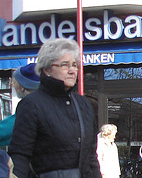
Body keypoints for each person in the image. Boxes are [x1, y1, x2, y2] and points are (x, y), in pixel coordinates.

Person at [8, 38, 101, 178]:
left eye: (75, 65)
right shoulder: (31, 104)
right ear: (46, 69)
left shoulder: (84, 104)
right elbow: (20, 155)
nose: (72, 70)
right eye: (64, 65)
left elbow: (91, 157)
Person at [0, 63, 40, 146]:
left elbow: (5, 131)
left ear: (22, 88)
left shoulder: (29, 108)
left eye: (14, 83)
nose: (13, 86)